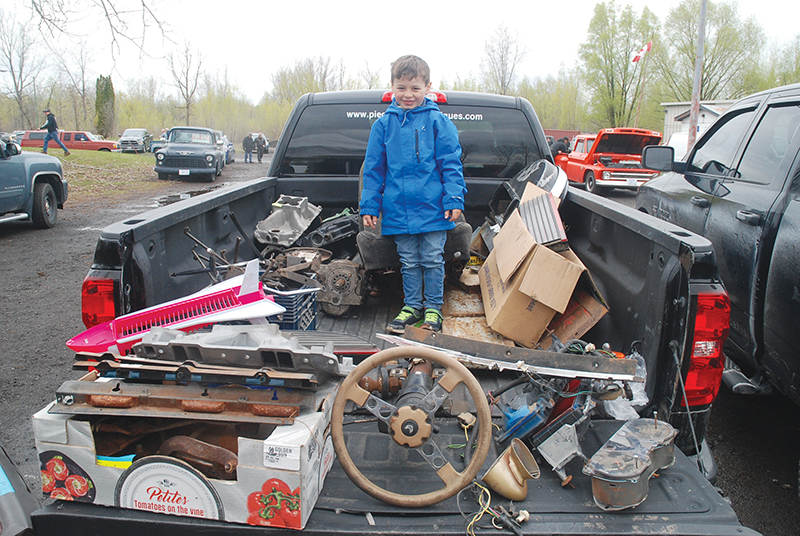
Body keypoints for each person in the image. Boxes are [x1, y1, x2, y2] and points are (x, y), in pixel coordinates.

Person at [360, 55, 466, 334]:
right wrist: (369, 205)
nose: (408, 95)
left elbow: (451, 164)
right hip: (398, 209)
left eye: (415, 88)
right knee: (407, 261)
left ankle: (432, 308)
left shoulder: (438, 122)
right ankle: (412, 306)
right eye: (402, 87)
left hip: (433, 209)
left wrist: (454, 198)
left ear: (428, 87)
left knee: (432, 258)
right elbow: (373, 170)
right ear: (392, 86)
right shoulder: (382, 126)